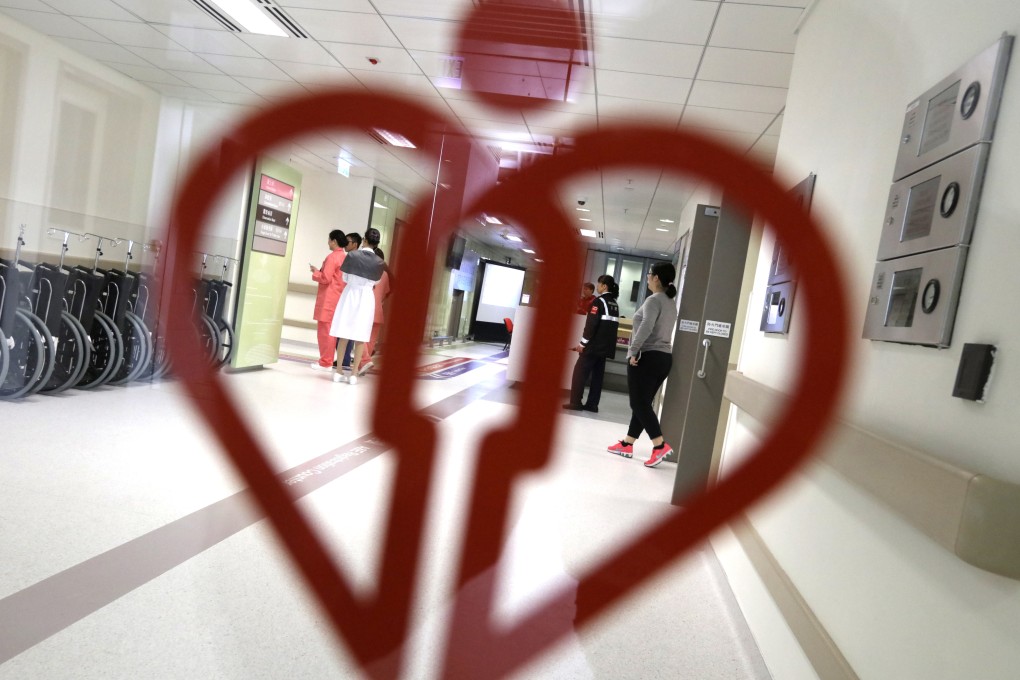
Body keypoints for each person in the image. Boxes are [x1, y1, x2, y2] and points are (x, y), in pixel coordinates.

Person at [607, 262, 679, 468]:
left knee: (638, 403)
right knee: (643, 403)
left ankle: (659, 445)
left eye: (649, 274)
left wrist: (632, 351)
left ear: (656, 278)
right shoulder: (669, 301)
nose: (647, 277)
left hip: (647, 357)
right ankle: (628, 444)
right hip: (664, 359)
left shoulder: (653, 300)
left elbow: (646, 327)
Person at [330, 228, 384, 385]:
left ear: (364, 240)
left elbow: (345, 277)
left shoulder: (352, 255)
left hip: (350, 294)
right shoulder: (380, 262)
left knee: (344, 333)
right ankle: (354, 374)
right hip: (366, 297)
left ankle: (339, 371)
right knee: (361, 336)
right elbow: (376, 282)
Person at [563, 275, 619, 413]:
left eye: (599, 284)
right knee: (597, 377)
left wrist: (582, 344)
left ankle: (575, 402)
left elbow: (591, 325)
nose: (598, 287)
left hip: (593, 347)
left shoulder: (599, 302)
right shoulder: (614, 303)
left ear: (604, 286)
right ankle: (592, 405)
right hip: (605, 348)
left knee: (579, 373)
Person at [308, 229, 346, 371]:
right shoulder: (344, 256)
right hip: (337, 297)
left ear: (334, 241)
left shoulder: (332, 257)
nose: (328, 242)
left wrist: (316, 272)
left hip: (328, 299)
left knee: (325, 332)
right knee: (331, 331)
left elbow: (326, 278)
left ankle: (325, 362)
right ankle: (327, 360)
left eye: (329, 240)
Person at [355, 246, 392, 376]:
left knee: (359, 336)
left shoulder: (366, 272)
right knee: (370, 341)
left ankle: (364, 361)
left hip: (366, 310)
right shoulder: (385, 274)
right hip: (378, 312)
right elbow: (385, 293)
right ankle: (362, 365)